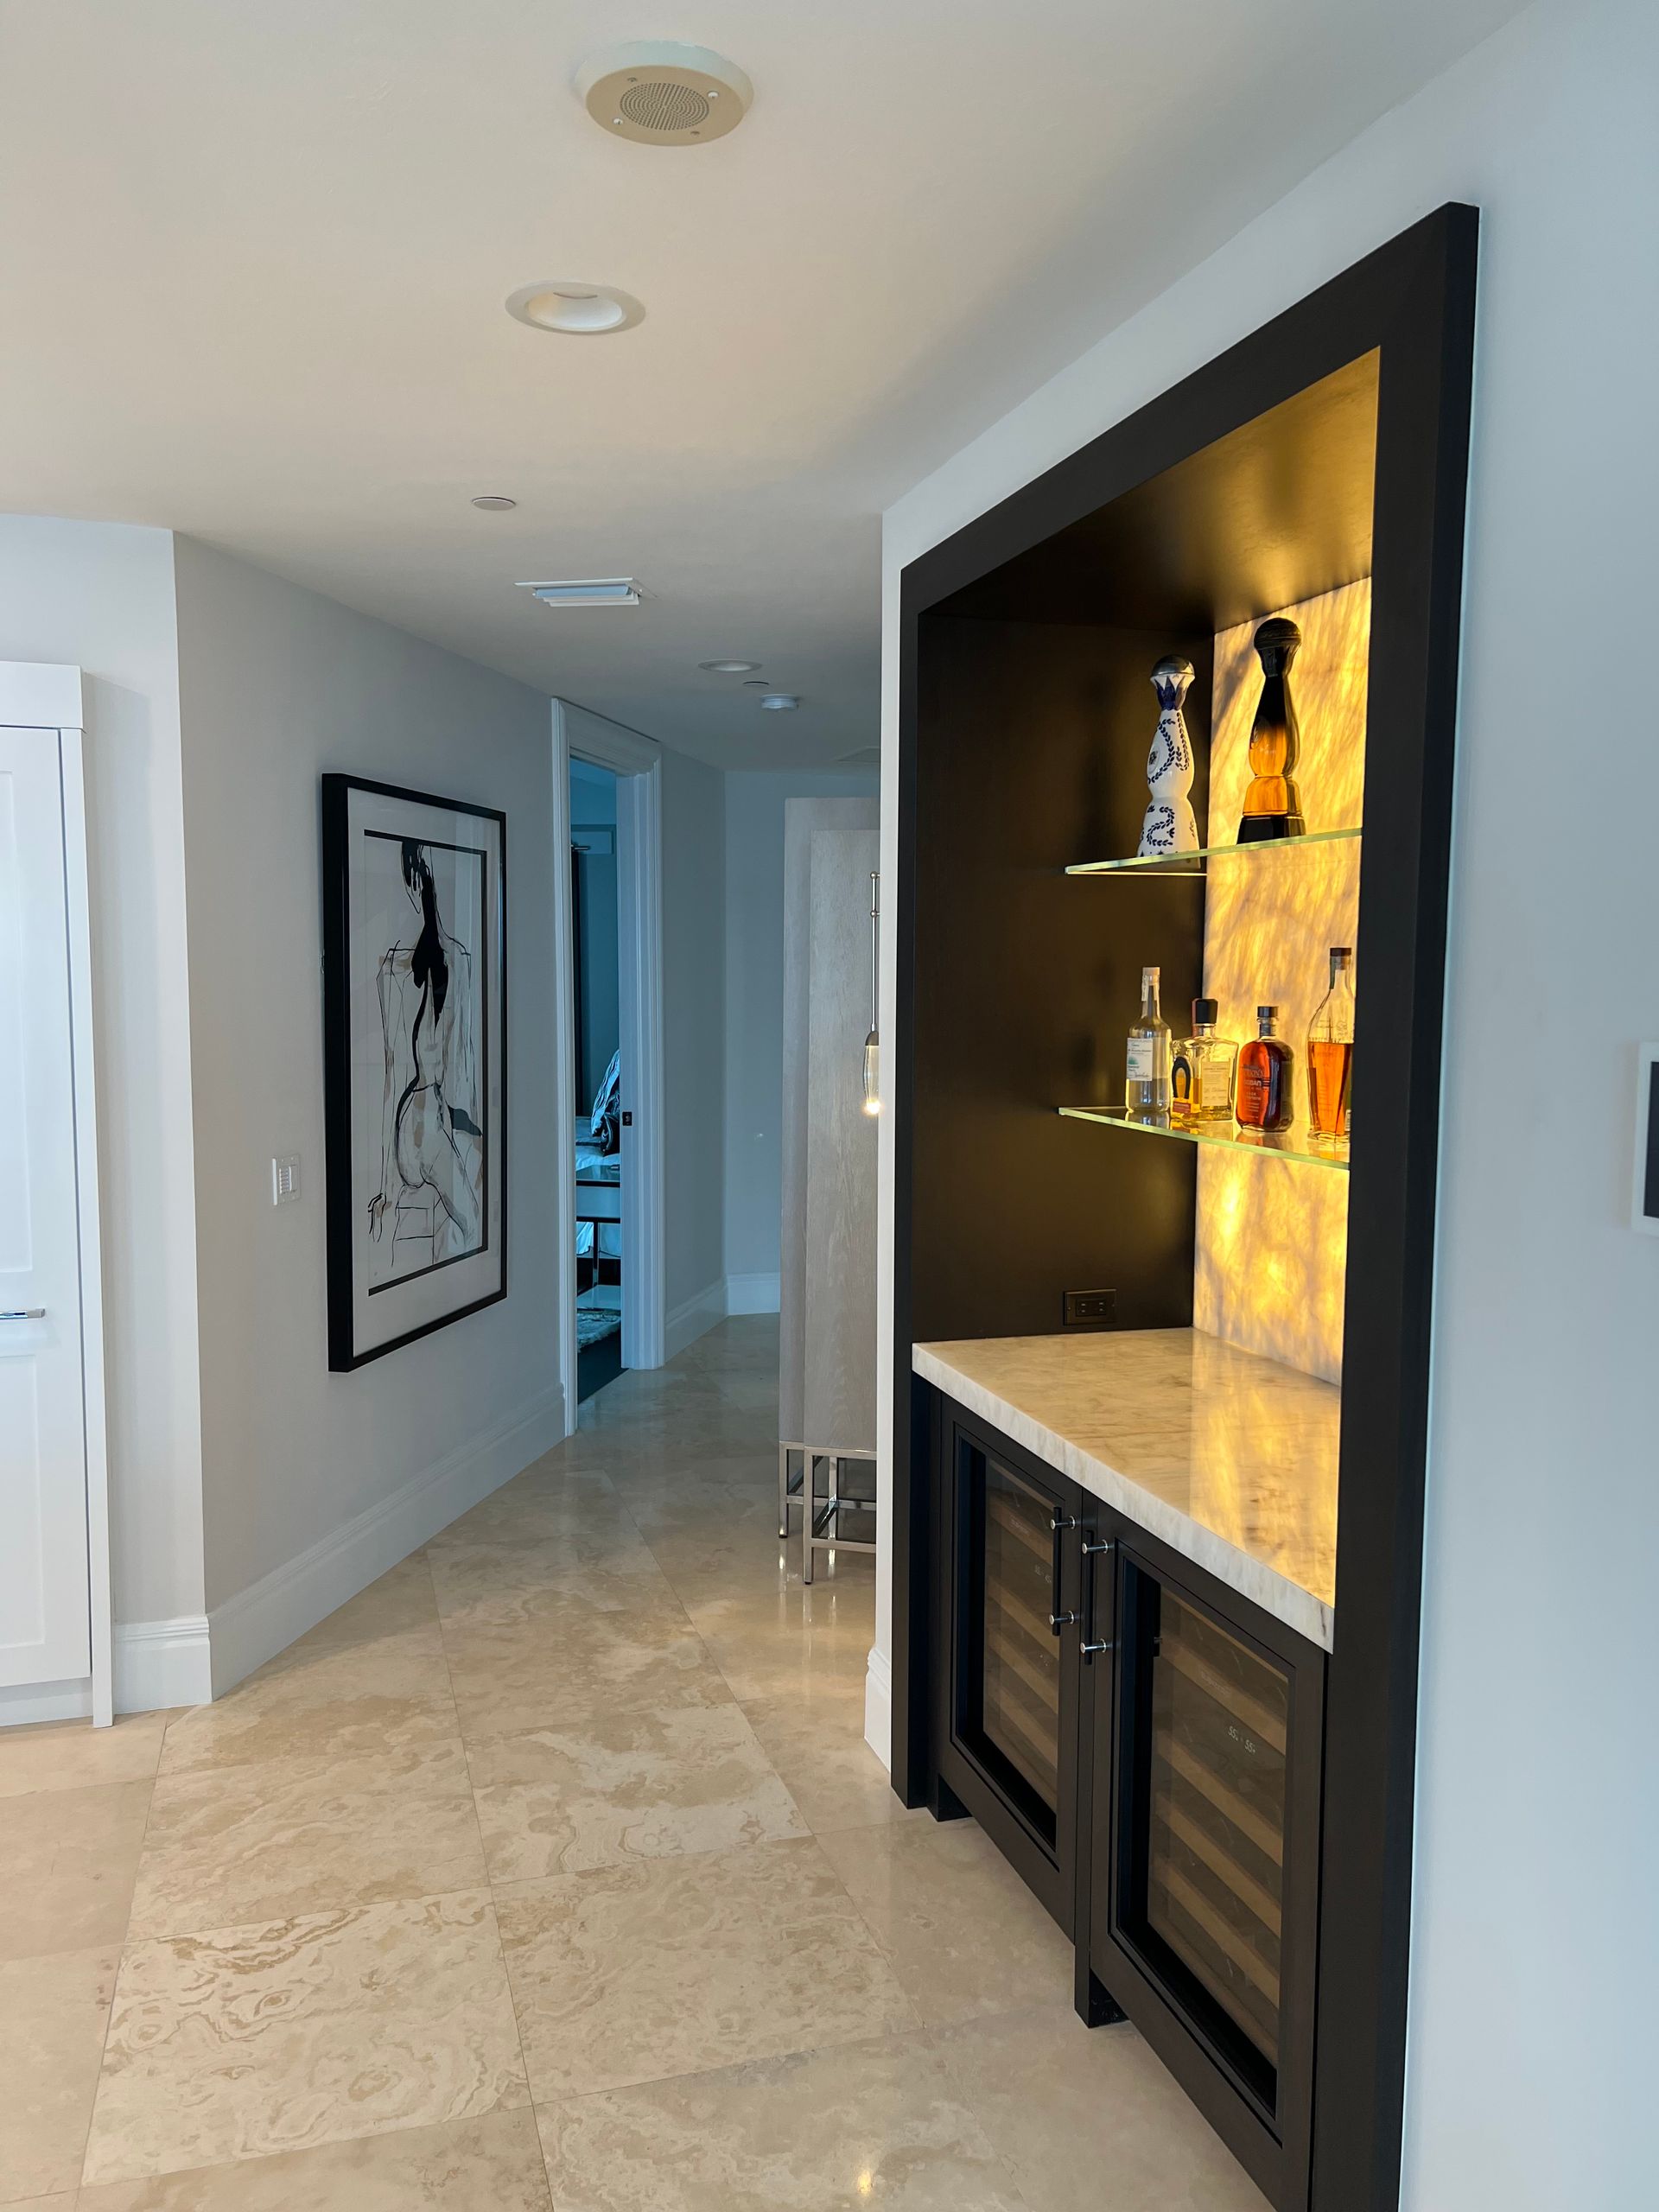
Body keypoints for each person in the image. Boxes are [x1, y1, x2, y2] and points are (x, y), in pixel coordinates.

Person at [368, 839, 483, 1278]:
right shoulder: (405, 970)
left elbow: (453, 1065)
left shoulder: (445, 964)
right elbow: (399, 1073)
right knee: (473, 1223)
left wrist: (468, 1125)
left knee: (470, 1221)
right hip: (420, 1129)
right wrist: (385, 1183)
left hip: (423, 1121)